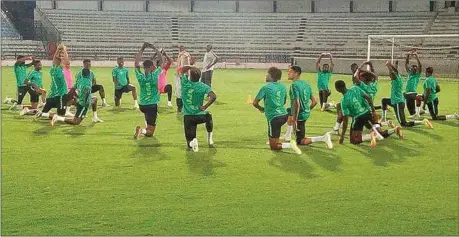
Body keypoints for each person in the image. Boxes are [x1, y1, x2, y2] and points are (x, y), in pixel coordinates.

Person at [335, 80, 403, 146]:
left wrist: (342, 136)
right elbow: (368, 98)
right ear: (345, 85)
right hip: (367, 113)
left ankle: (371, 136)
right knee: (380, 132)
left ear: (337, 89)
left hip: (358, 119)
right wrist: (373, 111)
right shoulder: (355, 88)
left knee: (353, 140)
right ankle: (394, 130)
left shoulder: (343, 102)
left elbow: (345, 120)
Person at [253, 67, 302, 154]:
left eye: (267, 74)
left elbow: (255, 103)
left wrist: (261, 109)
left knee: (273, 147)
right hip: (284, 116)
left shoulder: (265, 88)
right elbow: (283, 102)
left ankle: (290, 145)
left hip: (273, 118)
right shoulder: (282, 86)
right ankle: (283, 138)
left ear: (271, 76)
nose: (266, 76)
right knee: (275, 138)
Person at [283, 66, 333, 148]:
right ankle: (287, 134)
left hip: (300, 116)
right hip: (305, 113)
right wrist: (307, 110)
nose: (288, 73)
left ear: (296, 74)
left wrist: (295, 120)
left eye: (290, 72)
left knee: (300, 141)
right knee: (289, 111)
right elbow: (315, 101)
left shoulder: (294, 86)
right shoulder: (306, 84)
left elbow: (297, 104)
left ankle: (323, 138)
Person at [381, 60, 431, 128]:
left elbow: (392, 73)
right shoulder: (398, 76)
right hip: (395, 100)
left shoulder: (396, 80)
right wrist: (391, 65)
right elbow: (395, 71)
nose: (390, 75)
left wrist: (388, 66)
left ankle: (423, 122)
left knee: (403, 124)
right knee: (384, 100)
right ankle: (383, 118)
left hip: (398, 102)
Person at [179, 66, 216, 152]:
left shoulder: (185, 83)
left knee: (189, 144)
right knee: (209, 116)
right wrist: (205, 106)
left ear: (190, 76)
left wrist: (190, 67)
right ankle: (210, 138)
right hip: (199, 116)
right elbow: (213, 96)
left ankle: (192, 143)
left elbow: (182, 70)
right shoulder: (203, 86)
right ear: (199, 77)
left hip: (188, 116)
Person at [133, 43, 163, 139]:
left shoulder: (140, 76)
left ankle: (146, 128)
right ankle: (142, 130)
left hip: (142, 105)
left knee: (148, 121)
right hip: (151, 105)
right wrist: (154, 48)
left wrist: (142, 48)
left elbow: (136, 63)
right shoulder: (154, 75)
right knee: (150, 133)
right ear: (150, 67)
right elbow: (161, 61)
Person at [34, 44, 69, 120]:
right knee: (61, 116)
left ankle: (41, 113)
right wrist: (64, 51)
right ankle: (42, 114)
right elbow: (65, 60)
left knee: (45, 113)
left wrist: (59, 50)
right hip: (60, 94)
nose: (61, 56)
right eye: (60, 54)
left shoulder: (53, 68)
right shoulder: (59, 67)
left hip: (52, 95)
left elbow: (56, 59)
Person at [404, 50, 422, 117]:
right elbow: (406, 64)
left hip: (413, 93)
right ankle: (418, 112)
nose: (413, 69)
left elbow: (420, 65)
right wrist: (408, 55)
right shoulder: (409, 74)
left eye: (415, 68)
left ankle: (418, 112)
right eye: (412, 68)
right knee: (411, 112)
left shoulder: (417, 75)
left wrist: (416, 55)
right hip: (407, 93)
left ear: (416, 70)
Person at [175, 45, 191, 112]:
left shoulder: (185, 54)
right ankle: (180, 106)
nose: (181, 49)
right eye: (180, 48)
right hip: (180, 74)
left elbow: (187, 63)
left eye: (181, 48)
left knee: (182, 90)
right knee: (180, 90)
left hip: (183, 75)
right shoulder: (181, 55)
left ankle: (182, 106)